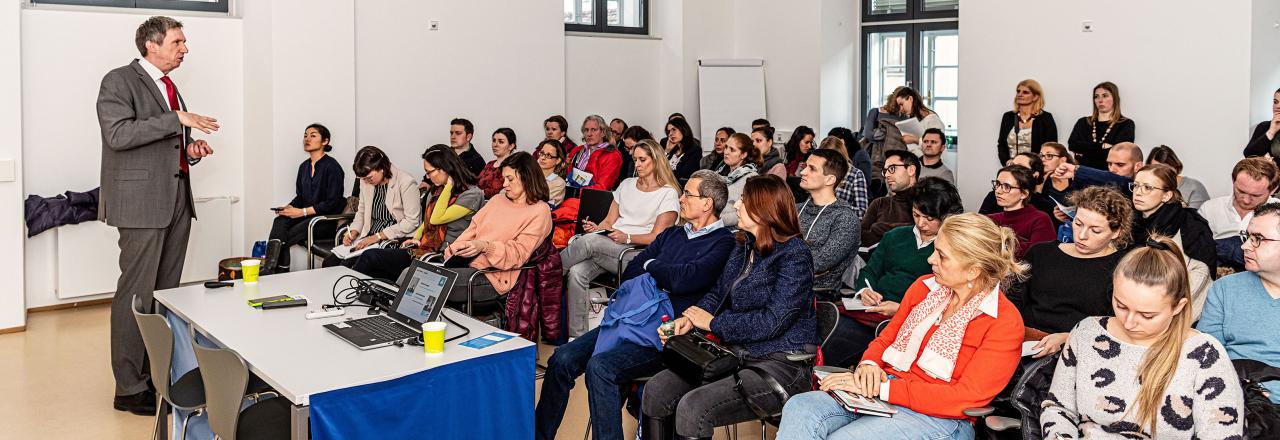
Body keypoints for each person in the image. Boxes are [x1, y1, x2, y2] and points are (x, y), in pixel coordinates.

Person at [778, 213, 1026, 440]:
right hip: (885, 390)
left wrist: (883, 388)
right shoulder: (924, 287)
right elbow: (885, 340)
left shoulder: (1004, 321)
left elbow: (965, 397)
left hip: (941, 417)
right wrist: (869, 366)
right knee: (801, 407)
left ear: (973, 270)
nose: (931, 259)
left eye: (941, 255)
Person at [534, 171, 735, 440]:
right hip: (631, 320)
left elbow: (685, 280)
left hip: (670, 333)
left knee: (601, 368)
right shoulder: (672, 235)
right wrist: (663, 272)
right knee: (561, 359)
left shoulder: (723, 242)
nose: (681, 198)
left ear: (707, 203)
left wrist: (655, 267)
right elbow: (631, 270)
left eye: (688, 193)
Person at [97, 15, 218, 415]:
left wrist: (191, 151)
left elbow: (167, 147)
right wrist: (176, 120)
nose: (185, 49)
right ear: (152, 44)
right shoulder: (118, 81)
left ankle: (156, 377)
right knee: (136, 297)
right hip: (141, 205)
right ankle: (129, 388)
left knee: (164, 296)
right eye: (178, 42)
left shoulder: (170, 86)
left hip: (176, 201)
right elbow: (118, 135)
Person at [642, 176, 816, 440]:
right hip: (736, 353)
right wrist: (690, 319)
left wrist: (712, 324)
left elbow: (773, 321)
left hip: (780, 364)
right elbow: (718, 294)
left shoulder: (794, 255)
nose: (736, 206)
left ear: (763, 208)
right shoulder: (744, 244)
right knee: (657, 388)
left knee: (693, 407)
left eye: (744, 200)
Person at [1041, 237, 1243, 439]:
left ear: (1178, 307)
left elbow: (1221, 433)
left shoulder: (1204, 355)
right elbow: (1058, 408)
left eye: (1147, 315)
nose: (1128, 323)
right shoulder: (1087, 333)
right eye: (1120, 306)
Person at [832, 178, 964, 366]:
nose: (921, 223)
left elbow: (945, 296)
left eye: (929, 218)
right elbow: (870, 271)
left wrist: (901, 310)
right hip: (874, 309)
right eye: (916, 214)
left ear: (946, 217)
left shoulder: (949, 250)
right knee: (833, 331)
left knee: (849, 342)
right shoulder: (895, 236)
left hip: (912, 319)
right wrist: (865, 291)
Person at [561, 140, 680, 337]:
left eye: (643, 159)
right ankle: (577, 336)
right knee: (576, 272)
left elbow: (659, 238)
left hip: (635, 254)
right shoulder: (626, 184)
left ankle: (549, 276)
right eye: (635, 160)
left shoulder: (668, 193)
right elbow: (608, 222)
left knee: (588, 242)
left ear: (657, 160)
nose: (638, 164)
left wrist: (627, 237)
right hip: (609, 246)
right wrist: (597, 228)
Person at [1012, 186, 1133, 358]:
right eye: (1078, 223)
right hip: (1023, 341)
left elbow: (1118, 324)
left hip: (1079, 350)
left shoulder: (1123, 267)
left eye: (1095, 230)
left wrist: (1068, 337)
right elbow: (1013, 300)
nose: (1082, 235)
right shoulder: (1041, 253)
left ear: (1116, 232)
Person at [352, 145, 482, 281]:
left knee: (371, 257)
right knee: (375, 270)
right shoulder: (437, 191)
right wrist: (417, 238)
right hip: (424, 249)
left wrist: (449, 186)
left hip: (442, 256)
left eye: (429, 172)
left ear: (445, 169)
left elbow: (437, 219)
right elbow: (427, 221)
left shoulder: (471, 195)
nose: (427, 176)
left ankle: (351, 292)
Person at [442, 151, 553, 308]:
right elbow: (470, 231)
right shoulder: (497, 200)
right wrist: (454, 250)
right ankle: (405, 330)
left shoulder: (540, 211)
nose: (504, 184)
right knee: (413, 274)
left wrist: (486, 247)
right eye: (504, 178)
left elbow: (518, 255)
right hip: (466, 265)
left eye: (510, 179)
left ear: (527, 178)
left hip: (493, 277)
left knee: (429, 283)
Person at [1199, 202, 1280, 404]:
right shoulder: (1225, 289)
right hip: (1232, 396)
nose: (1244, 246)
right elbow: (1207, 353)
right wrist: (1240, 391)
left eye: (1258, 239)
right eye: (1247, 237)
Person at [324, 146, 422, 268]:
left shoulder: (406, 182)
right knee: (329, 262)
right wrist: (353, 232)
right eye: (363, 178)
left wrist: (377, 237)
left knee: (348, 267)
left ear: (381, 168)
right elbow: (361, 212)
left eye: (369, 177)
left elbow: (412, 222)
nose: (366, 181)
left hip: (393, 239)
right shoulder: (365, 182)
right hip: (369, 237)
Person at [268, 123, 346, 272]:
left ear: (325, 141)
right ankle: (270, 267)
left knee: (287, 235)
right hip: (308, 217)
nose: (307, 139)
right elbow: (301, 196)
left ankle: (277, 271)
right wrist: (290, 207)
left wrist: (302, 212)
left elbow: (333, 202)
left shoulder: (333, 167)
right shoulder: (303, 167)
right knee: (280, 220)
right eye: (305, 135)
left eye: (313, 135)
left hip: (326, 220)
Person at [1131, 163, 1217, 274]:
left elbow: (1202, 273)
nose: (1138, 193)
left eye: (1147, 188)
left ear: (1166, 196)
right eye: (1136, 185)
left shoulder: (1191, 226)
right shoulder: (1129, 220)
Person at [1199, 158, 1280, 270]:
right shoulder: (1210, 209)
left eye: (1255, 195)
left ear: (1273, 190)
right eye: (1241, 191)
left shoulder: (1277, 214)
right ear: (1233, 181)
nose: (1246, 200)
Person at [798, 149, 860, 291]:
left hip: (815, 297)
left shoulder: (845, 219)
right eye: (805, 166)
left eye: (812, 169)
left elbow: (818, 263)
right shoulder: (794, 209)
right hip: (780, 286)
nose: (803, 172)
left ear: (830, 179)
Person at [985, 165, 1055, 259]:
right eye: (997, 184)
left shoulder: (1040, 219)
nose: (998, 191)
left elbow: (1040, 255)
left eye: (1007, 187)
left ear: (1024, 194)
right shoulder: (990, 219)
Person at [1068, 81, 1136, 170]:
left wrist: (1085, 150)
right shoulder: (1083, 122)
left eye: (1105, 96)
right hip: (1083, 173)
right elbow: (1072, 145)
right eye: (1096, 97)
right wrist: (1102, 147)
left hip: (1110, 175)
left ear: (1115, 98)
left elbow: (1120, 154)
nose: (1100, 100)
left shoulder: (1126, 124)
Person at [861, 150, 919, 246]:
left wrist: (877, 227)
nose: (887, 175)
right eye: (885, 171)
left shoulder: (925, 201)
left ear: (911, 170)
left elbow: (922, 229)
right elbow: (862, 236)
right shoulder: (879, 203)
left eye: (892, 168)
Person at [996, 79, 1058, 165]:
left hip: (1036, 168)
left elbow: (1051, 147)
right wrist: (1007, 162)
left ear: (1035, 97)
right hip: (1011, 168)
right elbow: (1001, 144)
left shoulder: (1045, 118)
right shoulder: (1008, 116)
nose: (1020, 94)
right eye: (1018, 91)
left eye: (1025, 92)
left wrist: (1033, 164)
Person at [565, 115, 624, 191]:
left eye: (593, 130)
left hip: (593, 199)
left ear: (603, 133)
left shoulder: (612, 155)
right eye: (586, 130)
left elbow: (602, 188)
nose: (589, 134)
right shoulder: (577, 150)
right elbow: (566, 177)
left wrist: (575, 192)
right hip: (570, 194)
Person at [860, 86, 907, 179]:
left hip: (898, 156)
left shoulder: (906, 116)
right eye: (900, 103)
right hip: (876, 156)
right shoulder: (875, 112)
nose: (901, 107)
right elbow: (868, 134)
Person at [818, 135, 870, 219]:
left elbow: (862, 212)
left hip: (842, 224)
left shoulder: (855, 174)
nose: (829, 162)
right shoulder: (821, 172)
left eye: (831, 157)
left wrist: (836, 208)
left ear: (841, 155)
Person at [1148, 145, 1210, 209]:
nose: (1161, 173)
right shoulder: (1146, 188)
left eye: (1166, 168)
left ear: (1176, 166)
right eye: (1155, 168)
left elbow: (1198, 217)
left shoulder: (1194, 187)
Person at [719, 133, 760, 227]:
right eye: (726, 147)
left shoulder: (751, 178)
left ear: (743, 154)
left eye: (732, 150)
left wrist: (715, 219)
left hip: (734, 229)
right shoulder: (721, 170)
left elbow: (749, 213)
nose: (726, 152)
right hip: (717, 224)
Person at [891, 86, 944, 153]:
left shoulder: (932, 120)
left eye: (902, 104)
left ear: (910, 99)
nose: (901, 109)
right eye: (899, 106)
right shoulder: (915, 120)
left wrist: (914, 140)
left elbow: (936, 146)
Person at [1038, 142, 1079, 225]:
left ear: (1062, 160)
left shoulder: (1076, 178)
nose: (1043, 159)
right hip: (1050, 225)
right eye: (1041, 155)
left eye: (1049, 156)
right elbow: (1038, 211)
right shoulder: (1039, 180)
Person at [1243, 88, 1280, 168]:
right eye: (1275, 102)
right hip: (1267, 179)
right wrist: (1271, 131)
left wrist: (1272, 161)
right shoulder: (1264, 126)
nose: (1278, 106)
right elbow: (1248, 155)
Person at [475, 127, 518, 198]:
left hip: (498, 203)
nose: (495, 145)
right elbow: (477, 183)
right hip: (478, 200)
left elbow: (508, 189)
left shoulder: (513, 165)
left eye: (501, 142)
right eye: (494, 141)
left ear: (511, 146)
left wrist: (482, 192)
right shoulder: (490, 164)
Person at [536, 139, 568, 206]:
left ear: (558, 160)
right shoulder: (530, 174)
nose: (542, 158)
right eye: (542, 153)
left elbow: (538, 201)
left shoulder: (559, 183)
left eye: (548, 155)